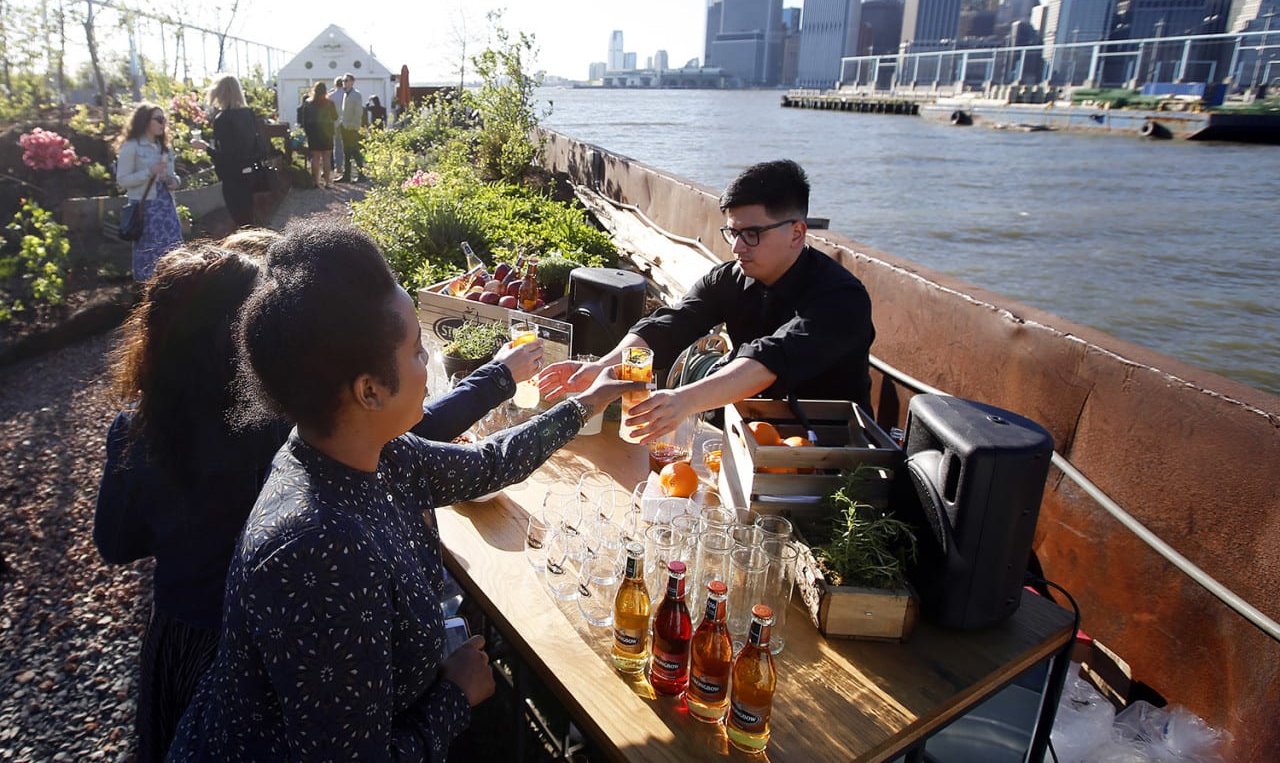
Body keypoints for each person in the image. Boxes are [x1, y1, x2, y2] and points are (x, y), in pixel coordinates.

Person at [167, 222, 635, 760]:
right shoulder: (319, 548)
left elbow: (486, 463)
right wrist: (456, 696)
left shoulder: (367, 449)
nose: (428, 367)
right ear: (368, 390)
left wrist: (583, 406)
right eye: (417, 353)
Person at [94, 244, 287, 762]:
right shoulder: (279, 420)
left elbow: (115, 543)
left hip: (184, 638)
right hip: (274, 638)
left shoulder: (137, 431)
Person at [541, 159, 876, 441]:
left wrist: (682, 401)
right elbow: (670, 324)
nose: (737, 247)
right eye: (732, 232)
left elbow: (770, 361)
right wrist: (603, 365)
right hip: (748, 432)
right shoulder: (730, 278)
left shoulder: (841, 298)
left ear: (797, 233)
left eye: (752, 234)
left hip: (829, 453)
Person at [115, 104, 183, 281]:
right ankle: (147, 292)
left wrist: (172, 181)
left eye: (164, 120)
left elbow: (173, 176)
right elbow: (122, 180)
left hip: (166, 207)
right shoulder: (132, 147)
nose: (163, 123)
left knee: (173, 249)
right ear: (145, 121)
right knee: (149, 252)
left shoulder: (165, 147)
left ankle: (172, 285)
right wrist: (149, 172)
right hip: (145, 209)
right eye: (158, 119)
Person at [196, 74, 266, 228]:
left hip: (233, 176)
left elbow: (227, 156)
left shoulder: (222, 119)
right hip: (251, 172)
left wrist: (206, 148)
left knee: (239, 219)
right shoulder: (248, 114)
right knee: (249, 215)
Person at [299, 81, 338, 189]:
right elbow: (335, 117)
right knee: (326, 158)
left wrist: (307, 134)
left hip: (313, 131)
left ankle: (316, 182)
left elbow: (304, 120)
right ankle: (327, 182)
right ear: (325, 91)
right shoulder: (330, 103)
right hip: (327, 132)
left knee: (315, 158)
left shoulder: (308, 103)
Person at [336, 72, 365, 182]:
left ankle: (362, 175)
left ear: (352, 82)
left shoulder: (356, 95)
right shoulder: (345, 94)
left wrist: (352, 125)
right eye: (343, 81)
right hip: (344, 126)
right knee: (346, 152)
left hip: (352, 127)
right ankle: (347, 175)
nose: (344, 83)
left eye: (346, 81)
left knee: (355, 151)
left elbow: (358, 112)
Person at [330, 74, 346, 176]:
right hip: (346, 122)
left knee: (337, 145)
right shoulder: (347, 94)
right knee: (347, 145)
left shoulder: (330, 96)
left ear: (335, 85)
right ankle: (347, 166)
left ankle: (338, 166)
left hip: (334, 123)